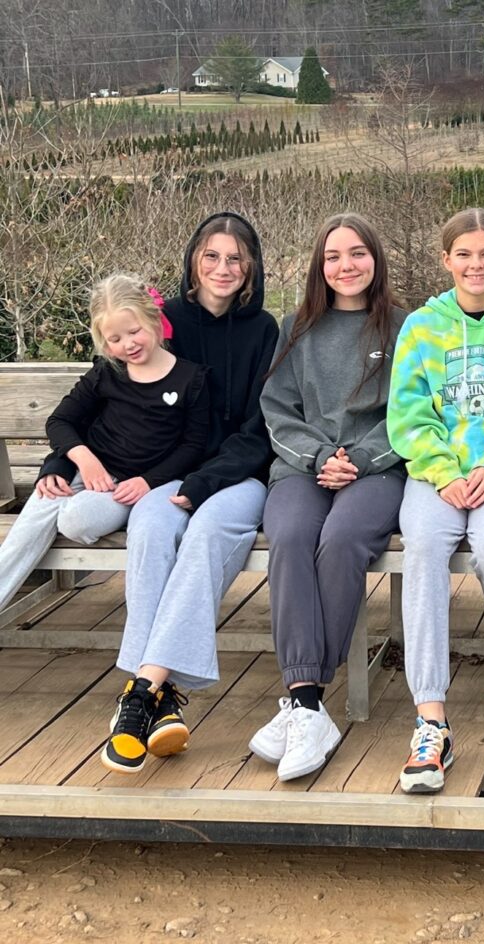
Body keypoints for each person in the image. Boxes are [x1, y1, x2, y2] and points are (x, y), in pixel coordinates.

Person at [111, 213, 279, 774]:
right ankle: (158, 698)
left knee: (206, 533)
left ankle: (140, 691)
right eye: (212, 256)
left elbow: (260, 428)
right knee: (151, 525)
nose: (222, 269)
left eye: (235, 258)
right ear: (193, 260)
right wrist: (65, 457)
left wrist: (206, 483)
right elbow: (108, 389)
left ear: (251, 265)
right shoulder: (166, 321)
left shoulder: (264, 330)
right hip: (169, 470)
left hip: (240, 477)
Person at [249, 213, 407, 781]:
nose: (346, 266)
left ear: (375, 260)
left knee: (340, 540)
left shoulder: (401, 327)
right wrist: (319, 457)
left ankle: (302, 701)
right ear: (320, 266)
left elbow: (411, 412)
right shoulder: (298, 327)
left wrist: (360, 459)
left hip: (378, 468)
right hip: (303, 467)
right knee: (290, 536)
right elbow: (278, 410)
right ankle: (308, 702)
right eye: (334, 256)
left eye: (358, 253)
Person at [386, 208, 484, 794]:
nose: (476, 265)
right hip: (435, 477)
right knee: (422, 550)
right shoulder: (422, 327)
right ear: (445, 260)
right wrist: (443, 474)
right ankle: (431, 719)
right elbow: (409, 411)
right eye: (464, 254)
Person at [0, 274, 209, 658]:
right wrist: (69, 462)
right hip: (89, 470)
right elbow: (61, 421)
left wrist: (147, 481)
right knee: (39, 509)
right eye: (114, 340)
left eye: (134, 332)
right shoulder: (107, 373)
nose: (127, 344)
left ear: (153, 322)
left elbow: (193, 446)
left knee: (75, 521)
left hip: (132, 488)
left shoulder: (190, 378)